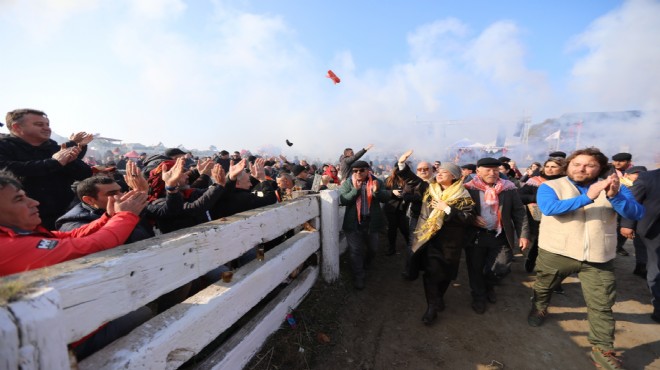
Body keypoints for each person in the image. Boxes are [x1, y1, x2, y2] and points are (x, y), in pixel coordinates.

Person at [528, 148, 644, 369]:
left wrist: (614, 196)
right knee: (544, 286)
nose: (581, 169)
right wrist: (588, 197)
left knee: (602, 304)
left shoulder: (616, 187)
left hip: (598, 256)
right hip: (557, 251)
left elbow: (635, 213)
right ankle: (540, 306)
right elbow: (550, 208)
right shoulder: (550, 186)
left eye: (589, 165)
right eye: (576, 164)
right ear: (568, 166)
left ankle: (603, 350)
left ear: (600, 168)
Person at [0, 169, 148, 276]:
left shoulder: (19, 235)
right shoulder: (8, 246)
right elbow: (92, 246)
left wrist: (110, 216)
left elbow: (73, 236)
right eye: (19, 199)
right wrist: (125, 216)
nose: (34, 202)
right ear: (89, 200)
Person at [397, 150, 475, 325]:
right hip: (429, 239)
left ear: (454, 176)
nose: (439, 174)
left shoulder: (463, 196)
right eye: (438, 172)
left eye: (444, 172)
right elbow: (412, 179)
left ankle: (439, 297)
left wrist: (447, 208)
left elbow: (468, 218)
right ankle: (431, 307)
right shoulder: (429, 189)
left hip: (451, 243)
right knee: (431, 273)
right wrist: (402, 164)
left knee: (446, 274)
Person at [0, 108, 94, 229]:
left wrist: (71, 158)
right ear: (17, 127)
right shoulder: (4, 147)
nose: (46, 128)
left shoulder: (54, 147)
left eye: (47, 124)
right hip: (23, 220)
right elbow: (8, 170)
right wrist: (54, 163)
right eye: (39, 124)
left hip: (65, 215)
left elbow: (84, 174)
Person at [464, 157, 529, 314]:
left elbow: (519, 212)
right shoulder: (468, 188)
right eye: (488, 170)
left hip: (500, 235)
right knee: (475, 268)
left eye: (495, 170)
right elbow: (461, 211)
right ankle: (479, 296)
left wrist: (523, 234)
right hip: (476, 236)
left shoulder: (508, 188)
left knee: (501, 266)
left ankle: (488, 285)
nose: (492, 173)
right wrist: (472, 218)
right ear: (478, 171)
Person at [339, 160, 391, 290]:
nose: (358, 173)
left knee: (373, 248)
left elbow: (386, 198)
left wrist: (377, 192)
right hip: (353, 223)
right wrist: (355, 190)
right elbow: (344, 200)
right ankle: (359, 276)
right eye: (355, 171)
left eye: (361, 170)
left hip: (371, 221)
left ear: (368, 170)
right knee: (355, 250)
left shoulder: (376, 182)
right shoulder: (348, 183)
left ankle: (366, 264)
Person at [620, 168, 660, 324]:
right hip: (655, 230)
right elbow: (633, 201)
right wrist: (627, 224)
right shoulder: (649, 177)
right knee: (657, 266)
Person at [518, 158, 566, 274]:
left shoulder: (566, 183)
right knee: (540, 240)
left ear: (561, 169)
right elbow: (520, 197)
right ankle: (532, 261)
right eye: (547, 166)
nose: (549, 169)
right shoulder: (535, 181)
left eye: (553, 167)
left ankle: (554, 270)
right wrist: (537, 199)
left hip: (560, 216)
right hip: (537, 215)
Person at [620, 166, 649, 277]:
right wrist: (627, 225)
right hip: (636, 220)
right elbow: (632, 204)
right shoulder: (625, 185)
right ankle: (641, 266)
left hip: (646, 219)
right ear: (627, 174)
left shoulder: (647, 182)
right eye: (636, 173)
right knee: (641, 243)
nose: (638, 176)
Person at [383, 164, 410, 256]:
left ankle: (410, 247)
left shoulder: (407, 179)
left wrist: (405, 194)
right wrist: (392, 192)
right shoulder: (388, 180)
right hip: (391, 208)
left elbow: (413, 191)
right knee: (392, 229)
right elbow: (382, 192)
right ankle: (392, 248)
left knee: (404, 229)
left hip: (403, 208)